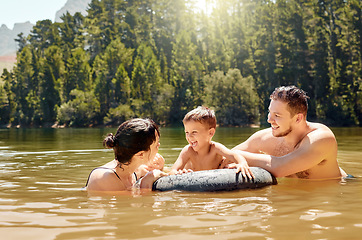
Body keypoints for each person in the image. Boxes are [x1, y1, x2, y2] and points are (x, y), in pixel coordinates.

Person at [231, 85, 347, 179]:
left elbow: (279, 168)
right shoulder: (266, 138)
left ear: (298, 118)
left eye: (277, 115)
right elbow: (223, 156)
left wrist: (237, 156)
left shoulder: (322, 139)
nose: (269, 120)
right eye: (269, 113)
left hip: (336, 191)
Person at [85, 118, 167, 192]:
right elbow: (136, 203)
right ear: (141, 154)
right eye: (156, 145)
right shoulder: (103, 179)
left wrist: (160, 168)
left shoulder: (135, 170)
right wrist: (147, 181)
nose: (159, 146)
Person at [170, 106, 253, 178]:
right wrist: (177, 172)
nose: (189, 136)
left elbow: (234, 155)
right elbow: (174, 170)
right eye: (187, 132)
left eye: (194, 132)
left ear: (210, 133)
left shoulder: (215, 148)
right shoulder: (188, 151)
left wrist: (242, 163)